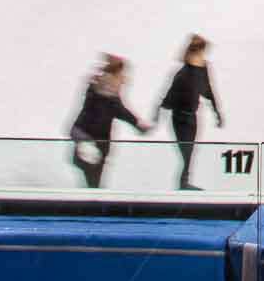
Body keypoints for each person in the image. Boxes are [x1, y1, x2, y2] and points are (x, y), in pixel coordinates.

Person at [156, 35, 225, 189]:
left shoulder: (203, 69)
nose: (202, 56)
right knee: (187, 152)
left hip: (192, 118)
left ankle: (184, 183)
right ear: (195, 52)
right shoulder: (182, 74)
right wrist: (156, 116)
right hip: (179, 119)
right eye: (200, 53)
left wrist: (217, 112)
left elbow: (208, 91)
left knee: (191, 152)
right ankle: (183, 184)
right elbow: (167, 98)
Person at [69, 55, 146, 189]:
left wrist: (138, 124)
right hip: (90, 150)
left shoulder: (110, 98)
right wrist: (85, 143)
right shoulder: (97, 97)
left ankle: (92, 201)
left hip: (100, 149)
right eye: (121, 76)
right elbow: (75, 129)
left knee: (94, 186)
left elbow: (122, 111)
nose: (124, 80)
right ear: (114, 76)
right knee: (93, 186)